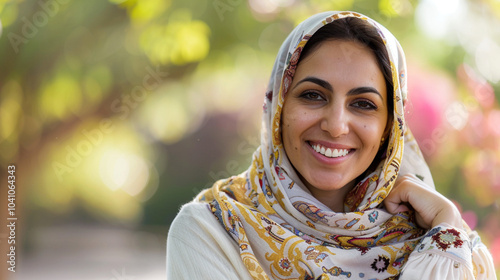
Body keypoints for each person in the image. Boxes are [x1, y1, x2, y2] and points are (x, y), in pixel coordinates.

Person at [166, 11, 497, 279]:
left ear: (389, 128)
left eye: (363, 104)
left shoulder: (453, 248)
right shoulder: (212, 231)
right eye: (313, 95)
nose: (336, 125)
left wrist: (446, 225)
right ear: (278, 108)